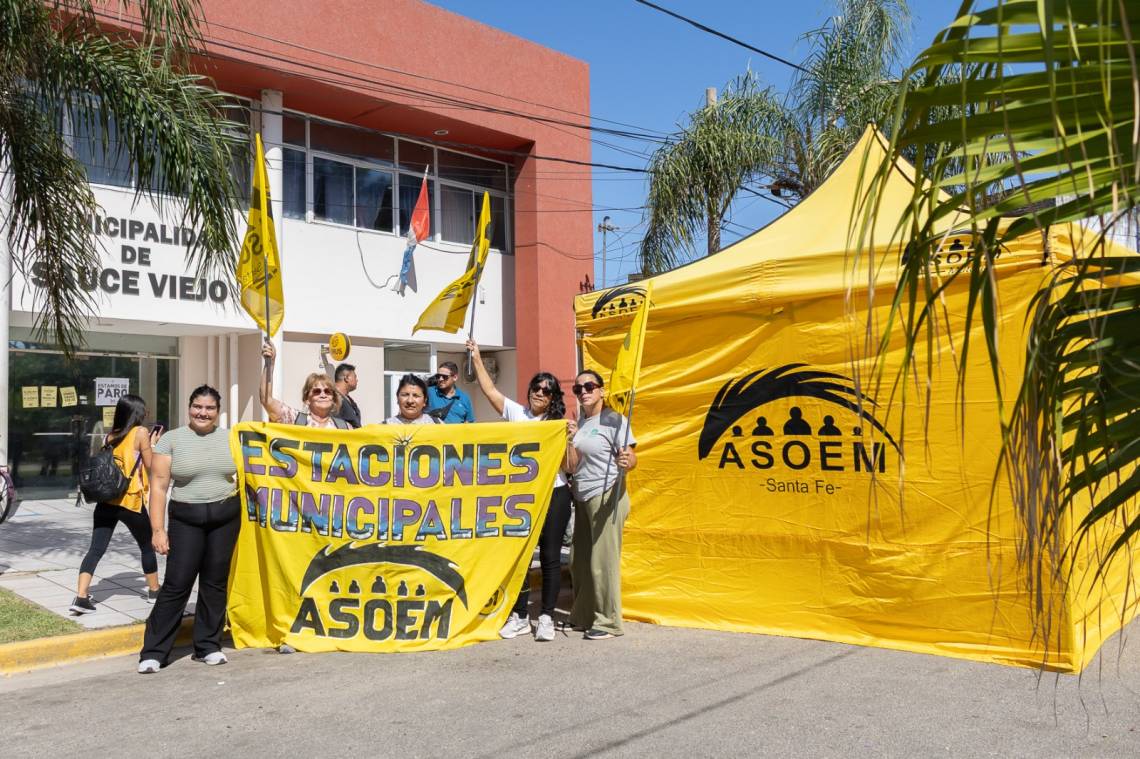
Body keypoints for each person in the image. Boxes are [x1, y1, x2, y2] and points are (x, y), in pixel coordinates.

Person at [466, 339, 571, 642]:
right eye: (536, 387)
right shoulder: (518, 414)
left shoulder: (560, 424)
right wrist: (475, 358)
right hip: (522, 496)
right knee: (521, 556)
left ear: (553, 397)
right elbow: (490, 392)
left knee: (550, 556)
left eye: (546, 390)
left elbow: (570, 466)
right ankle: (521, 615)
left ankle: (548, 616)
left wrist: (568, 440)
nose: (539, 393)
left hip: (555, 494)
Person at [138, 386, 239, 673]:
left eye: (209, 408)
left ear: (218, 411)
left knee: (215, 582)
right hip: (186, 519)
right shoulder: (172, 440)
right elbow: (157, 488)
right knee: (177, 584)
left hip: (225, 517)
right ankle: (154, 652)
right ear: (189, 407)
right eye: (197, 406)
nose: (202, 413)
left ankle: (208, 645)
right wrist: (158, 530)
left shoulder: (232, 439)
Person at [70, 394, 161, 615]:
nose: (146, 415)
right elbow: (151, 465)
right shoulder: (140, 433)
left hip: (106, 501)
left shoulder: (110, 436)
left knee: (96, 549)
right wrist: (153, 444)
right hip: (129, 500)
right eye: (144, 411)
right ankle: (154, 591)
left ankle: (81, 597)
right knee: (147, 546)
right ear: (137, 414)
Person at [565, 370, 637, 640]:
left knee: (601, 562)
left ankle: (608, 622)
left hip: (607, 496)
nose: (583, 391)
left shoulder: (614, 420)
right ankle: (584, 615)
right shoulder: (580, 422)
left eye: (589, 386)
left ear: (602, 391)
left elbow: (631, 456)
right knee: (579, 561)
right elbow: (572, 465)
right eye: (578, 388)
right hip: (582, 498)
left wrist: (627, 462)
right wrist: (570, 440)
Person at [260, 341, 351, 429]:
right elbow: (266, 400)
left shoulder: (345, 428)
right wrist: (270, 363)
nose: (323, 395)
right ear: (307, 399)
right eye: (317, 391)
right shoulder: (293, 419)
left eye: (328, 391)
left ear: (334, 399)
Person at [333, 363, 362, 428]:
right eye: (355, 377)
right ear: (346, 378)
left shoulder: (348, 399)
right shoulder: (334, 398)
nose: (357, 380)